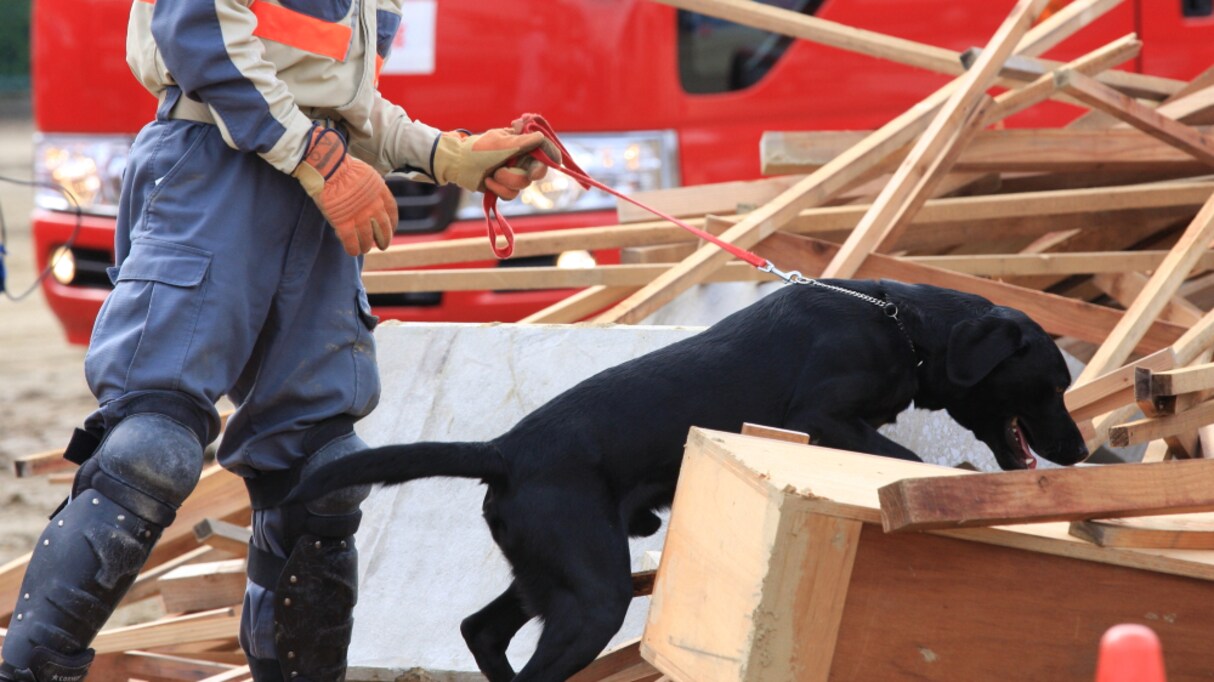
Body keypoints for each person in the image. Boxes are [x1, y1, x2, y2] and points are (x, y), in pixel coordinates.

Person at [0, 0, 560, 680]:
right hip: (214, 172)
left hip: (312, 199)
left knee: (322, 471)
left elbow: (338, 105)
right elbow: (199, 36)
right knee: (153, 449)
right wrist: (321, 160)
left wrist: (446, 154)